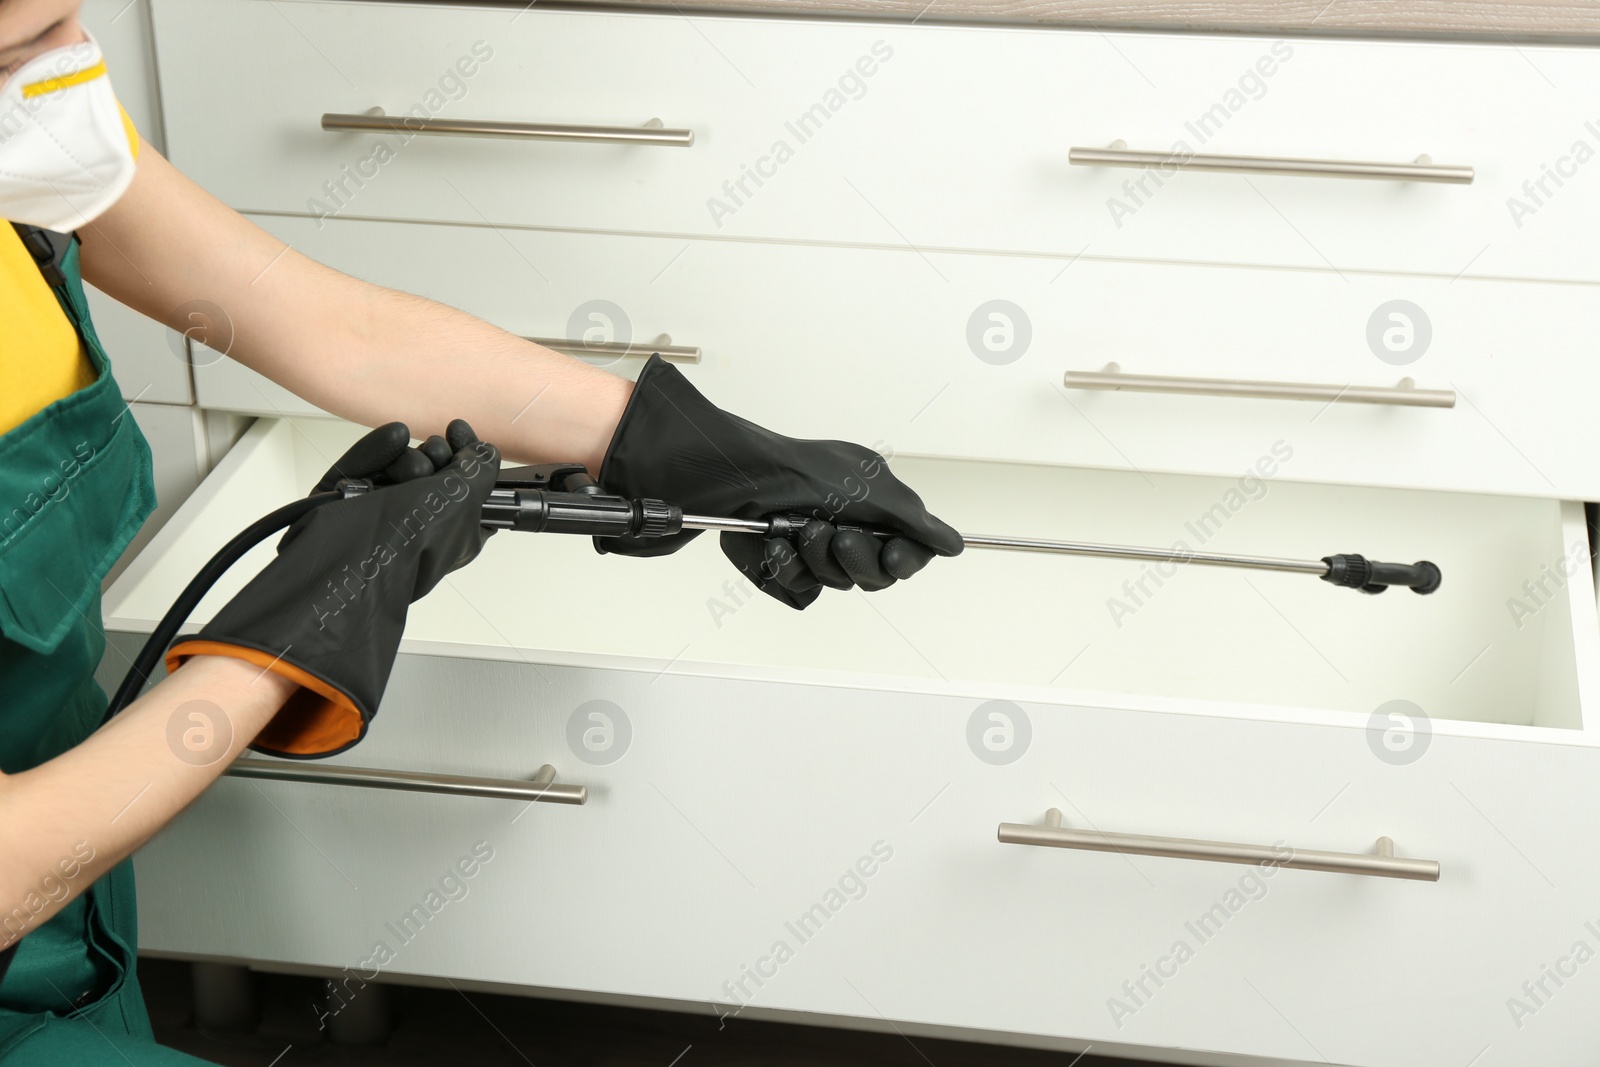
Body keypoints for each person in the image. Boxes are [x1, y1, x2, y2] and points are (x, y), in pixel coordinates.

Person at [0, 0, 962, 1061]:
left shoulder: (22, 115)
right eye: (13, 31)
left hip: (66, 919)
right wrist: (293, 637)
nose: (58, 25)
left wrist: (691, 449)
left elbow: (335, 331)